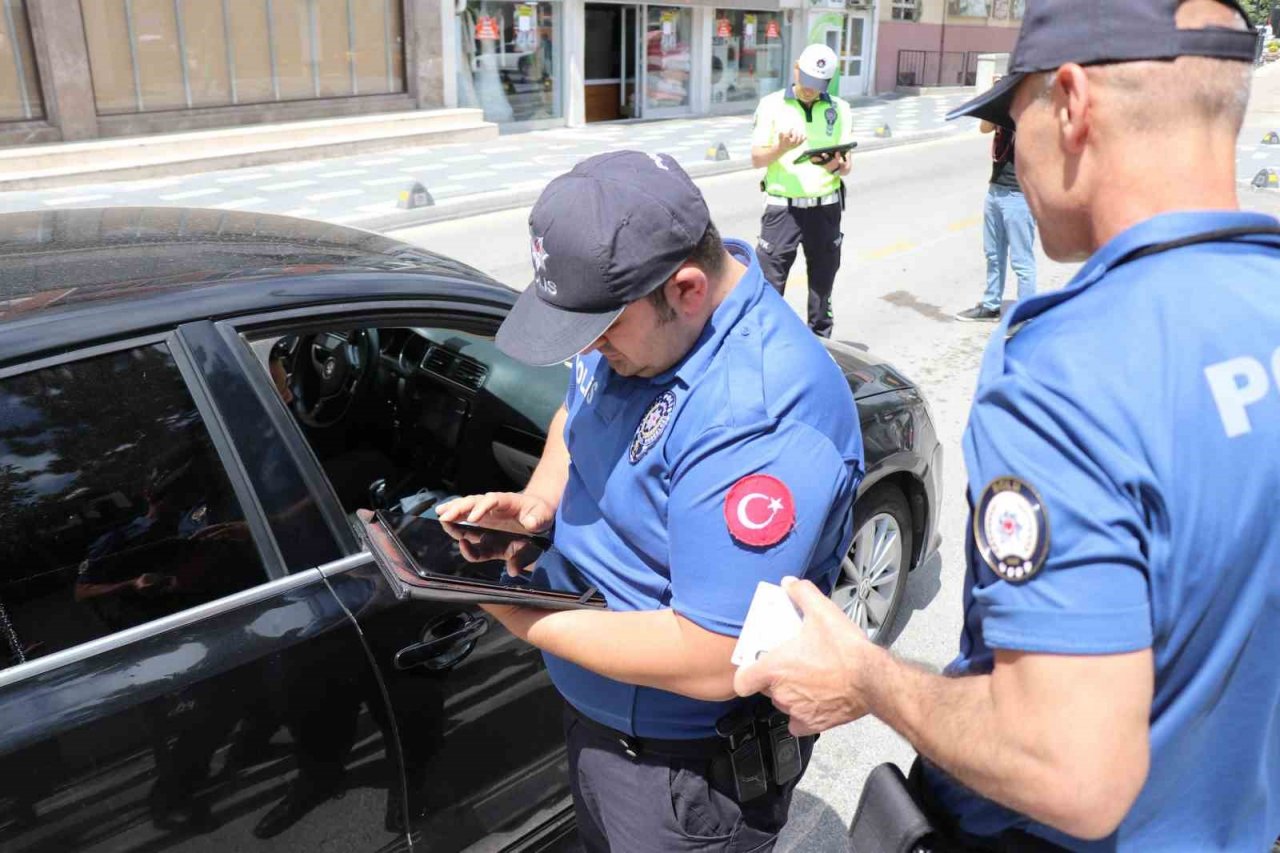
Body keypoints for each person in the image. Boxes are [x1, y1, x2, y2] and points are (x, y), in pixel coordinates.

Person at [734, 0, 1280, 849]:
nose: (1008, 155)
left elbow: (1070, 770)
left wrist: (868, 677)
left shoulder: (1074, 363)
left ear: (1070, 104)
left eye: (1007, 121)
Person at [436, 150, 864, 852]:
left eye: (602, 332)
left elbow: (711, 652)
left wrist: (518, 613)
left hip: (679, 773)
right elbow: (576, 414)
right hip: (602, 720)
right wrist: (540, 501)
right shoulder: (638, 319)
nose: (595, 350)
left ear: (688, 288)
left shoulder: (758, 412)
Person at [750, 43, 855, 338]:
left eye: (818, 85)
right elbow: (757, 158)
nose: (810, 90)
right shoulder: (771, 105)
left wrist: (833, 165)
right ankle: (767, 346)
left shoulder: (840, 109)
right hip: (783, 209)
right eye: (807, 81)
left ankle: (821, 346)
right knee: (769, 285)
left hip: (826, 208)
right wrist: (782, 147)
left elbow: (847, 167)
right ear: (796, 68)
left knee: (822, 285)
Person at [955, 91, 1037, 322]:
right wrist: (995, 99)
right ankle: (991, 305)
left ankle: (1026, 316)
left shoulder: (1035, 110)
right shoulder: (1004, 110)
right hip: (996, 190)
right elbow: (984, 128)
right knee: (993, 254)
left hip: (1019, 194)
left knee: (1021, 260)